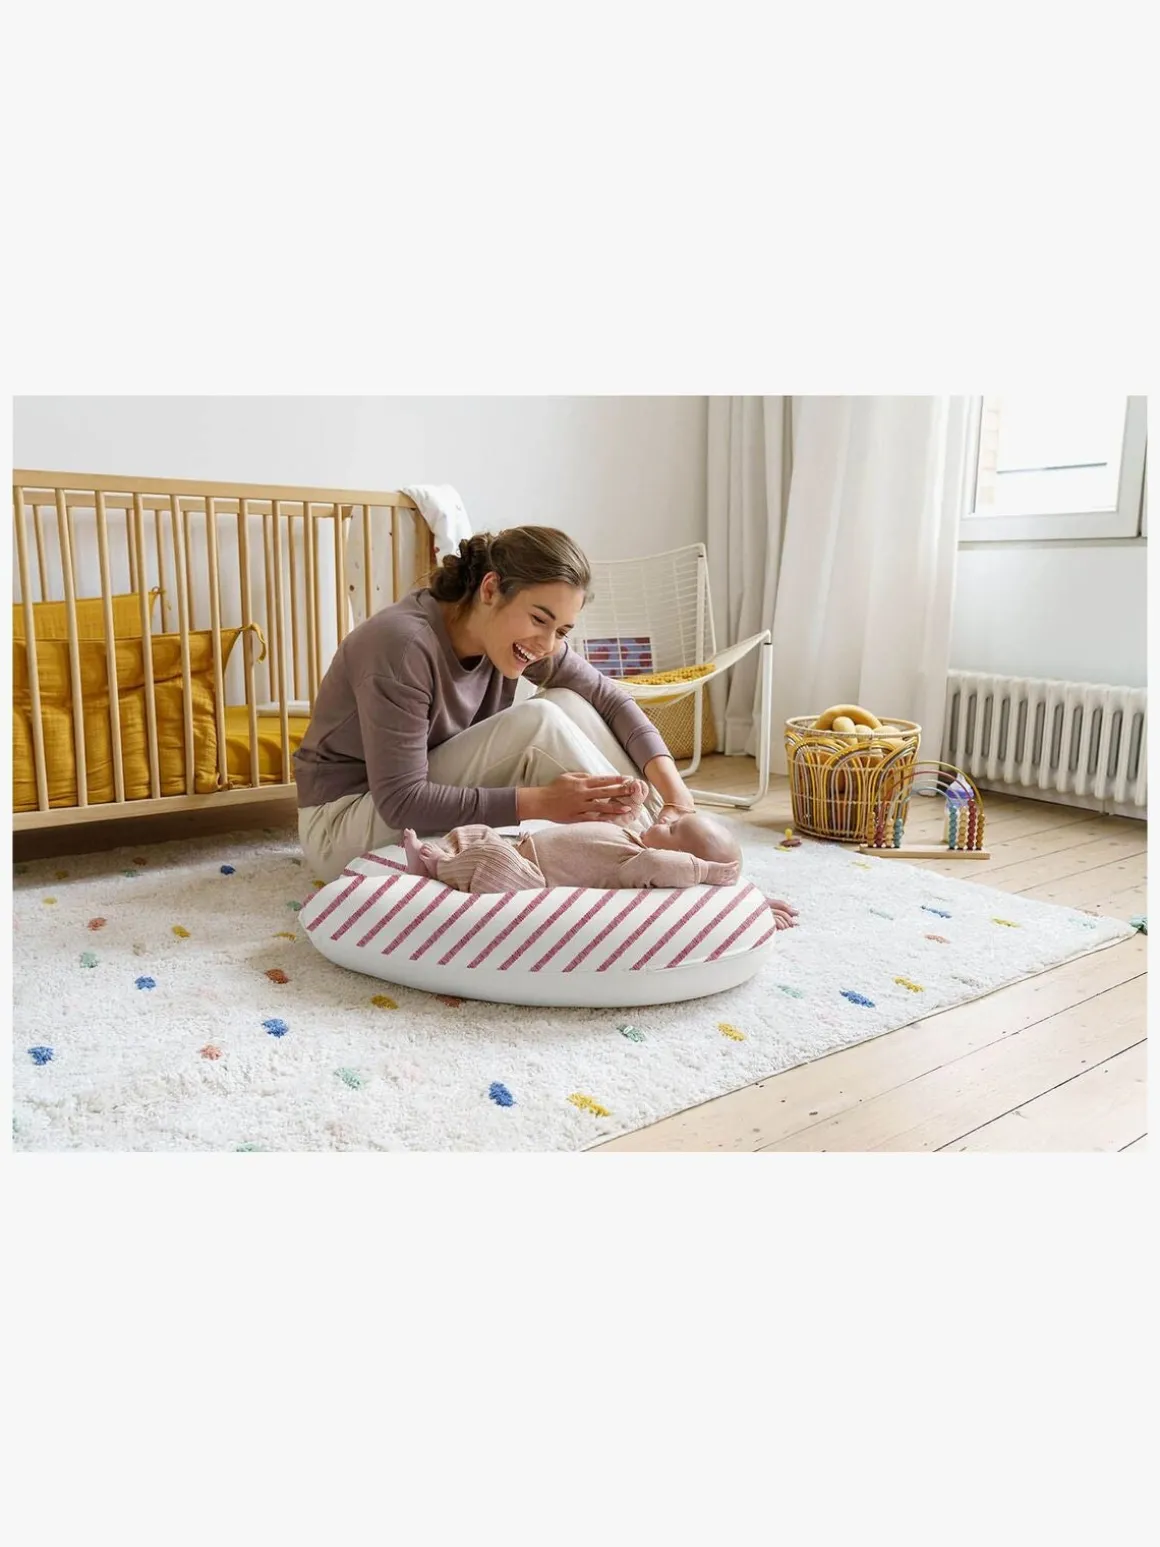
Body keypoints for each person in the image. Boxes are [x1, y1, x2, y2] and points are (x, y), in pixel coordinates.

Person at [294, 526, 702, 883]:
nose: (547, 644)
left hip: (409, 805)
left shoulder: (507, 636)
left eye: (561, 631)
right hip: (342, 829)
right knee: (538, 721)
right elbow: (402, 801)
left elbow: (607, 697)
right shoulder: (402, 646)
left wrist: (677, 795)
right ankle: (656, 848)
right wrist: (543, 802)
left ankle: (672, 827)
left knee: (570, 700)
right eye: (539, 619)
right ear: (490, 589)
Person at [403, 808, 745, 893]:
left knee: (492, 861)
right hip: (520, 849)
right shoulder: (632, 838)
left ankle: (440, 867)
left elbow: (659, 863)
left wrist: (704, 870)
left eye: (672, 829)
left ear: (681, 857)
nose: (664, 820)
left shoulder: (636, 863)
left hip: (529, 877)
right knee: (479, 832)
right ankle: (439, 854)